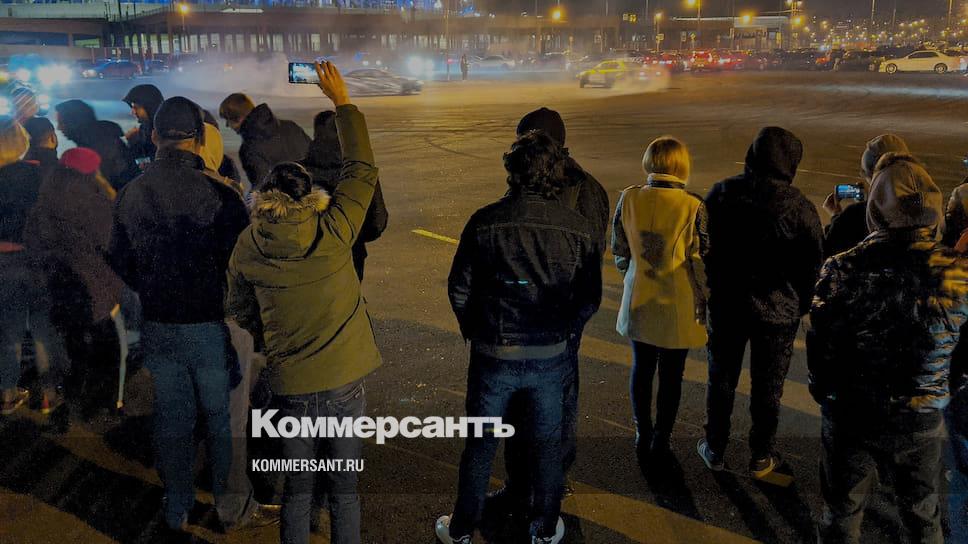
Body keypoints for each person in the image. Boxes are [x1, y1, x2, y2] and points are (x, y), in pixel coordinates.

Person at [226, 61, 380, 544]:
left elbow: (239, 309)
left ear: (265, 197)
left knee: (297, 488)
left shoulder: (249, 244)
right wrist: (343, 102)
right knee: (345, 491)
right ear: (309, 195)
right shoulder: (334, 230)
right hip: (344, 380)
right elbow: (362, 170)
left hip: (290, 383)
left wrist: (271, 335)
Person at [108, 96, 275, 536]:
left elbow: (119, 259)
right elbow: (241, 266)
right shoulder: (221, 194)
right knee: (224, 420)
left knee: (173, 417)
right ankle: (232, 508)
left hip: (159, 323)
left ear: (154, 136)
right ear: (200, 139)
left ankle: (177, 506)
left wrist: (151, 287)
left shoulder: (131, 192)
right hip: (211, 324)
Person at [436, 130, 602, 544]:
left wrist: (478, 331)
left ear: (512, 171)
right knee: (547, 446)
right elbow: (589, 297)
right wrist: (565, 332)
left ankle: (461, 528)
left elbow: (460, 288)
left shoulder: (485, 221)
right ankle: (543, 527)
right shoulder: (578, 229)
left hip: (495, 354)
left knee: (480, 446)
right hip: (550, 354)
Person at [807, 152, 967, 544]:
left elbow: (821, 342)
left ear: (876, 209)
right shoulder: (957, 272)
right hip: (921, 413)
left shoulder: (843, 267)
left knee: (842, 513)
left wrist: (825, 393)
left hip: (851, 411)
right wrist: (945, 385)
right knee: (922, 514)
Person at [489, 107, 609, 511]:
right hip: (562, 318)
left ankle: (528, 484)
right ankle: (547, 481)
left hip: (534, 318)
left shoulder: (550, 186)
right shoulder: (590, 187)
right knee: (557, 397)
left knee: (527, 400)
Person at [697, 126, 824, 479]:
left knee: (721, 378)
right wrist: (799, 304)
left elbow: (705, 247)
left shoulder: (722, 193)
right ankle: (761, 455)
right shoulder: (800, 208)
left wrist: (715, 286)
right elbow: (813, 264)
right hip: (777, 314)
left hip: (728, 305)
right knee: (768, 387)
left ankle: (715, 447)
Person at [612, 137, 709, 469]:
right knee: (672, 375)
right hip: (677, 303)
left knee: (641, 368)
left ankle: (643, 430)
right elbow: (700, 261)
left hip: (639, 297)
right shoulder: (693, 206)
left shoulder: (629, 197)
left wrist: (632, 275)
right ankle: (662, 437)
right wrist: (705, 299)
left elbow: (619, 249)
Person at [23, 148, 122, 417]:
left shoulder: (44, 203)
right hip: (94, 287)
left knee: (72, 341)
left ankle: (75, 390)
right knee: (106, 343)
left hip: (58, 285)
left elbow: (32, 244)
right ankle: (104, 399)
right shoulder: (95, 201)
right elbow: (110, 243)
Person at [0, 116, 61, 415]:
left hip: (3, 263)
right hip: (36, 260)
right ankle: (48, 394)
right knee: (42, 329)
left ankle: (7, 394)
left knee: (8, 331)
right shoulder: (37, 175)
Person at [298, 109, 388, 280]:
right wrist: (353, 236)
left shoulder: (298, 172)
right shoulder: (360, 173)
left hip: (307, 260)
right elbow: (377, 223)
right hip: (351, 256)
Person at [822, 134, 909, 257]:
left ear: (872, 175)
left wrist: (836, 216)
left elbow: (829, 253)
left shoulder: (854, 215)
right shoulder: (924, 208)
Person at [218, 92, 310, 189]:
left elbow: (263, 189)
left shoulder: (249, 149)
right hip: (313, 193)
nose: (227, 126)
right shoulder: (291, 126)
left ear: (238, 119)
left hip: (286, 198)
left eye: (228, 120)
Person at [55, 99, 139, 190]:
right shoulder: (94, 139)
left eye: (62, 123)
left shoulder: (99, 144)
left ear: (73, 122)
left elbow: (105, 185)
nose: (59, 128)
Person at [122, 83, 164, 164]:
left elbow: (158, 161)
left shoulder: (163, 132)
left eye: (136, 108)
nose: (133, 112)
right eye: (132, 108)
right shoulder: (144, 129)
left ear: (149, 107)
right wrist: (132, 142)